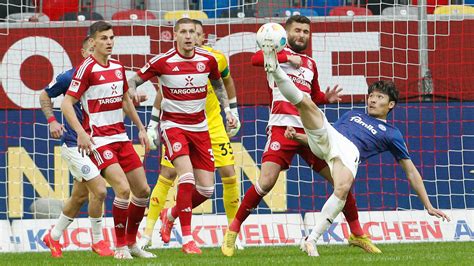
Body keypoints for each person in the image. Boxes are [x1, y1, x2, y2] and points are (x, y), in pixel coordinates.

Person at [259, 39, 450, 256]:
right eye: (371, 96)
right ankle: (274, 69)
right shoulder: (353, 114)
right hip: (331, 137)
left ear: (391, 105)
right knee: (305, 103)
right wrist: (299, 137)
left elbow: (411, 171)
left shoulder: (392, 133)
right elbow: (326, 141)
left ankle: (311, 240)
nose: (372, 100)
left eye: (379, 97)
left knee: (342, 188)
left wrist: (428, 205)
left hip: (350, 154)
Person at [221, 15, 380, 257]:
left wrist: (325, 98)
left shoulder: (310, 64)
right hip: (281, 128)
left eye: (306, 31)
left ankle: (357, 233)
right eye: (297, 30)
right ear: (285, 33)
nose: (302, 35)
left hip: (310, 133)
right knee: (265, 182)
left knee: (342, 182)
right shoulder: (273, 54)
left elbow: (312, 97)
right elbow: (255, 59)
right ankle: (233, 231)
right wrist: (286, 56)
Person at [127, 18, 236, 254]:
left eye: (192, 32)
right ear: (175, 35)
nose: (188, 36)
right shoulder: (162, 62)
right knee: (185, 177)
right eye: (183, 32)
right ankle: (188, 240)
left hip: (201, 128)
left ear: (198, 36)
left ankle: (171, 213)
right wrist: (134, 94)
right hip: (174, 127)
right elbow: (133, 80)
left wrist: (228, 110)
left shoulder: (207, 60)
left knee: (206, 190)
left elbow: (219, 85)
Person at [60, 21, 155, 260]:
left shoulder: (117, 67)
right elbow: (66, 103)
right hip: (99, 141)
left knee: (143, 190)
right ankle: (120, 247)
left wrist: (141, 128)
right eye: (104, 38)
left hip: (121, 137)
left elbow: (125, 100)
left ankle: (133, 244)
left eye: (111, 38)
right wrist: (81, 132)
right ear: (92, 42)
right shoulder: (86, 69)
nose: (109, 42)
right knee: (122, 189)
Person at [40, 37, 114, 258]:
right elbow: (45, 94)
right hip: (74, 145)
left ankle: (52, 237)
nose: (96, 52)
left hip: (98, 142)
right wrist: (52, 120)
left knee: (80, 197)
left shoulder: (105, 77)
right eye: (91, 49)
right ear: (83, 53)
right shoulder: (69, 77)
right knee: (100, 190)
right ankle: (98, 241)